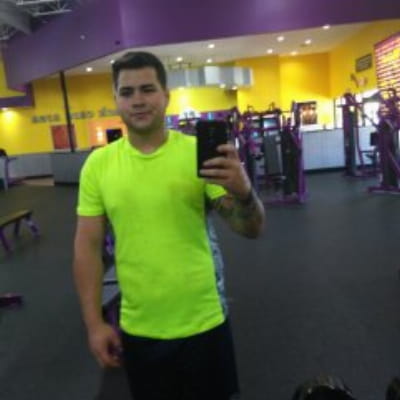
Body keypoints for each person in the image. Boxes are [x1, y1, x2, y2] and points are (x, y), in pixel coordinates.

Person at [73, 51, 265, 400]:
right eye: (127, 92)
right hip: (140, 327)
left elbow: (251, 228)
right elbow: (87, 248)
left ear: (166, 95)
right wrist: (94, 324)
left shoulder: (197, 153)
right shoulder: (98, 166)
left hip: (205, 319)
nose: (138, 100)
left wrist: (243, 191)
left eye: (147, 89)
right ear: (116, 99)